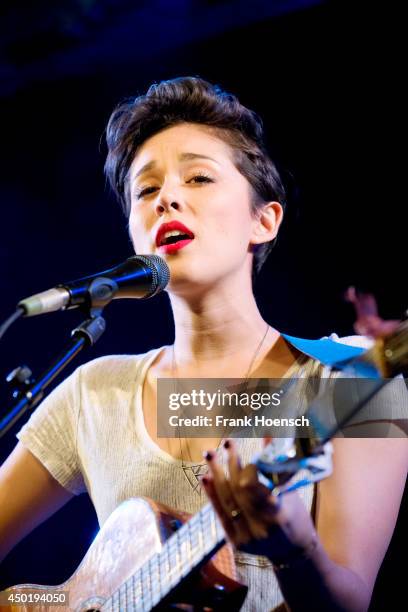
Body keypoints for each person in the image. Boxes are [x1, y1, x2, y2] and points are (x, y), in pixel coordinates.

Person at [0, 76, 407, 611]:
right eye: (146, 190)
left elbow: (352, 601)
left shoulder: (354, 376)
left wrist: (294, 550)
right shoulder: (92, 394)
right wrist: (40, 603)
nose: (167, 198)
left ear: (264, 221)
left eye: (198, 178)